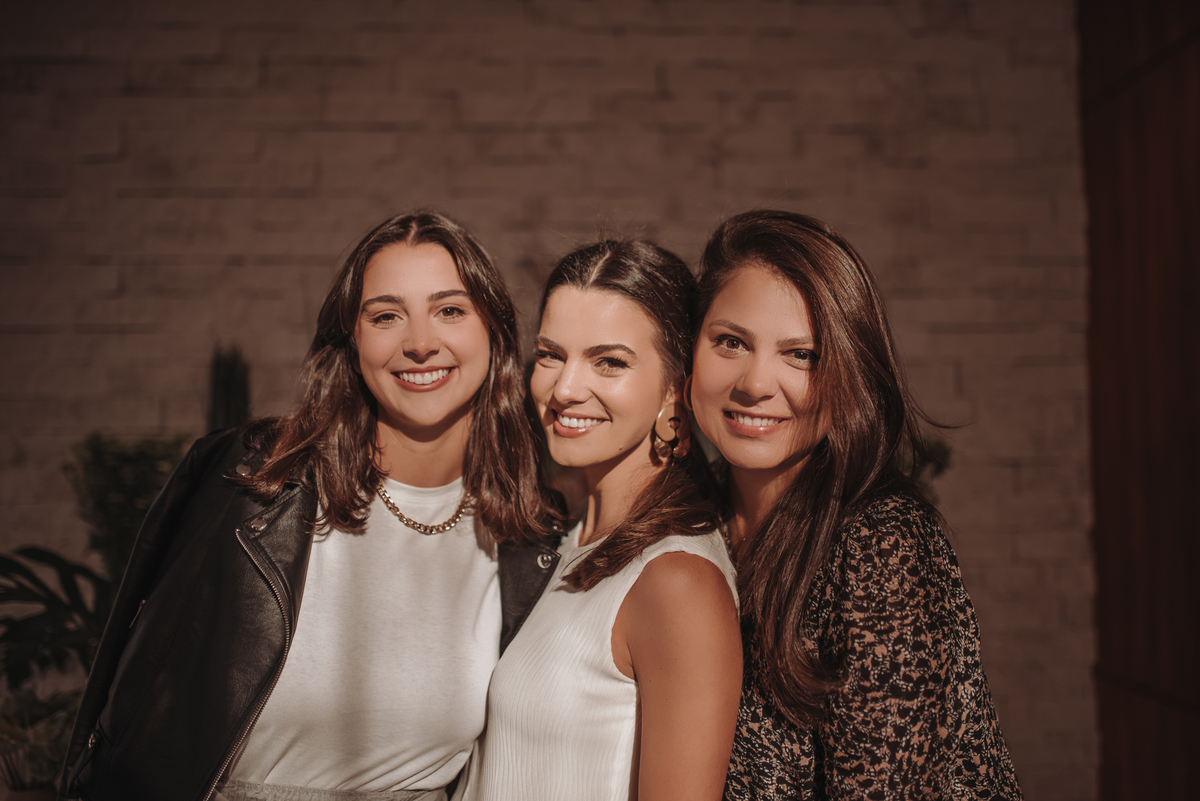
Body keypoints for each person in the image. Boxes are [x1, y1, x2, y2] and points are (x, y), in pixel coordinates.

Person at [59, 211, 565, 801]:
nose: (421, 343)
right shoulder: (250, 482)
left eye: (450, 310)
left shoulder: (532, 538)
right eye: (385, 316)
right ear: (352, 340)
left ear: (494, 331)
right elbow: (140, 698)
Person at [687, 210, 1023, 799]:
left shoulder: (883, 541)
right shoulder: (694, 519)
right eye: (731, 342)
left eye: (802, 355)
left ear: (850, 373)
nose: (755, 383)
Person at [457, 240, 743, 801]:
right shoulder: (568, 540)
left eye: (609, 362)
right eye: (550, 355)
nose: (564, 389)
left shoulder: (677, 580)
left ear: (675, 387)